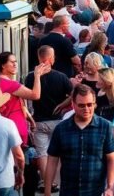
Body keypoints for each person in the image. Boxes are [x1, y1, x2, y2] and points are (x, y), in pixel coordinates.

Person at [46, 85, 114, 196]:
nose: (86, 109)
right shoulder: (61, 129)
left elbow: (112, 159)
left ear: (95, 104)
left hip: (96, 191)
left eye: (90, 105)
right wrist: (47, 190)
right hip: (68, 191)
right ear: (73, 105)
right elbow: (52, 160)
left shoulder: (105, 127)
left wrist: (110, 187)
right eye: (81, 105)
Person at [26, 45, 74, 191]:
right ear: (51, 59)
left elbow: (27, 97)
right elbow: (73, 94)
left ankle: (45, 181)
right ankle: (55, 181)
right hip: (57, 121)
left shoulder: (31, 77)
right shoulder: (61, 77)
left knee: (42, 153)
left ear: (39, 58)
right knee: (57, 153)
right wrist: (62, 104)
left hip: (39, 121)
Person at [0, 50, 47, 147]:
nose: (15, 64)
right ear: (3, 65)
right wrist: (37, 76)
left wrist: (30, 119)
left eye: (15, 61)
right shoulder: (11, 85)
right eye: (12, 62)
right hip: (15, 131)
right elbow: (35, 95)